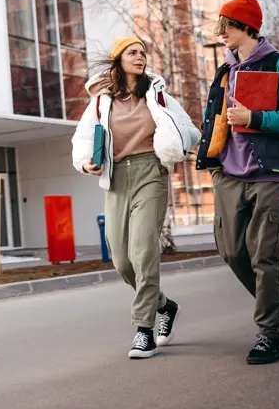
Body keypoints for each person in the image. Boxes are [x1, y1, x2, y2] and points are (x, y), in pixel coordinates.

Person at [196, 0, 279, 365]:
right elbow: (215, 119)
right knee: (231, 251)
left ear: (247, 26)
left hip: (269, 174)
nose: (221, 33)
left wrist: (254, 118)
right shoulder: (224, 70)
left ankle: (269, 334)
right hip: (229, 173)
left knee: (264, 255)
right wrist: (213, 164)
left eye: (226, 26)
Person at [72, 37, 201, 359]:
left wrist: (175, 143)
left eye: (143, 53)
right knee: (121, 260)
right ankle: (165, 306)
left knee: (143, 251)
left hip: (151, 172)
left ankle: (144, 330)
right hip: (116, 177)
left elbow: (190, 129)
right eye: (133, 52)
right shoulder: (102, 101)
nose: (140, 57)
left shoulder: (157, 95)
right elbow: (83, 137)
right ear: (118, 59)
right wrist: (86, 162)